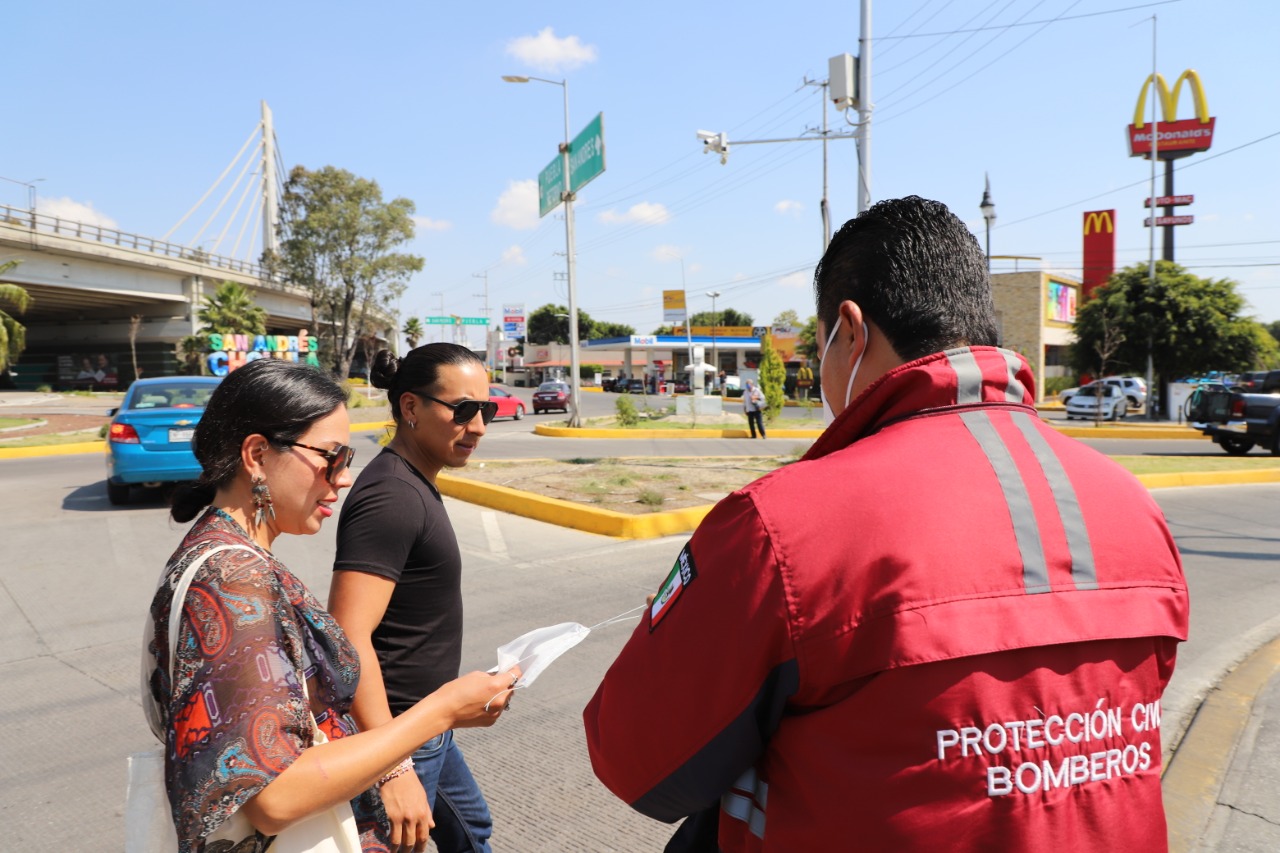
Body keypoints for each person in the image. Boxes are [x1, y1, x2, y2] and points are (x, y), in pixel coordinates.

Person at [583, 196, 1189, 852]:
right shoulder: (1135, 506)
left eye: (819, 351)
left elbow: (633, 756)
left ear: (849, 331)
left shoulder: (784, 526)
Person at [146, 358, 518, 853]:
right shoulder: (233, 577)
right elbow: (273, 796)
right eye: (331, 457)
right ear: (257, 454)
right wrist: (439, 715)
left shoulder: (226, 554)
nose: (343, 479)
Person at [328, 344, 503, 853]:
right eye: (463, 411)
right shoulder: (392, 497)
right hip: (400, 730)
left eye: (486, 411)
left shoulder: (414, 483)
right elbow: (348, 634)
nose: (478, 428)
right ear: (410, 408)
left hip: (427, 722)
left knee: (472, 832)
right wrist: (393, 765)